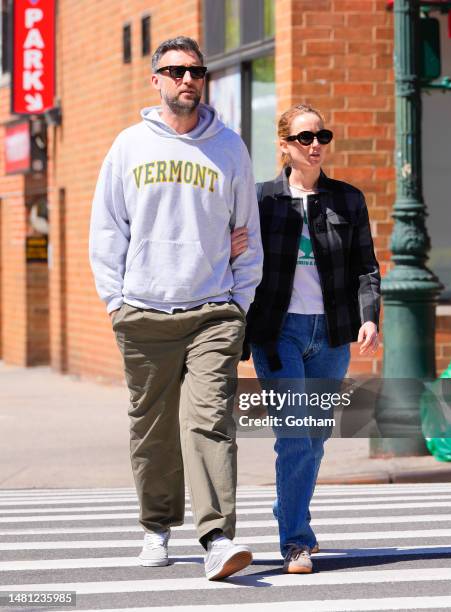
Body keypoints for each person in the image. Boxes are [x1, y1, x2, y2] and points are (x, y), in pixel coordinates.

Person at [89, 36, 263, 580]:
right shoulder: (128, 146)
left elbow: (247, 234)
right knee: (153, 428)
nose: (187, 79)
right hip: (142, 312)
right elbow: (107, 229)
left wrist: (239, 301)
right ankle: (156, 526)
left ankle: (216, 539)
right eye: (176, 71)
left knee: (209, 423)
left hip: (213, 310)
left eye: (196, 71)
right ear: (156, 80)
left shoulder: (229, 147)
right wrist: (116, 301)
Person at [235, 103, 380, 574]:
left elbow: (366, 267)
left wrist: (369, 318)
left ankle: (287, 507)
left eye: (321, 136)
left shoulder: (347, 200)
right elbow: (236, 261)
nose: (314, 144)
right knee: (294, 436)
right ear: (284, 145)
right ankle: (296, 540)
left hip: (333, 333)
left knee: (315, 438)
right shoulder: (262, 201)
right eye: (304, 137)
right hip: (279, 335)